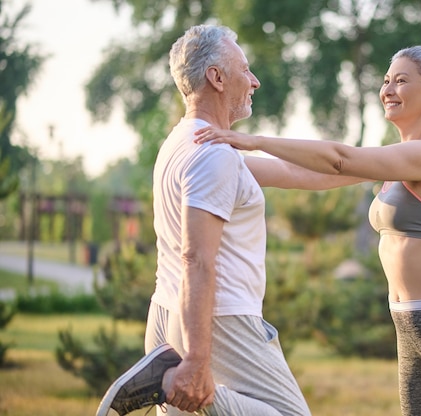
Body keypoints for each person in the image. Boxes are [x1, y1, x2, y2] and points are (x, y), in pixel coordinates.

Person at [193, 45, 421, 415]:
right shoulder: (399, 159)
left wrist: (255, 139)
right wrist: (217, 156)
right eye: (386, 80)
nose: (387, 89)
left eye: (401, 81)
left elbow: (341, 159)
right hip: (411, 330)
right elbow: (300, 174)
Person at [95, 24, 362, 416]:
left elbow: (298, 173)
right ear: (216, 78)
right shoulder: (213, 155)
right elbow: (197, 258)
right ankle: (165, 383)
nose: (253, 81)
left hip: (170, 311)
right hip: (221, 319)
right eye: (245, 69)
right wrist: (196, 361)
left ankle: (165, 379)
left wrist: (392, 166)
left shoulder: (185, 143)